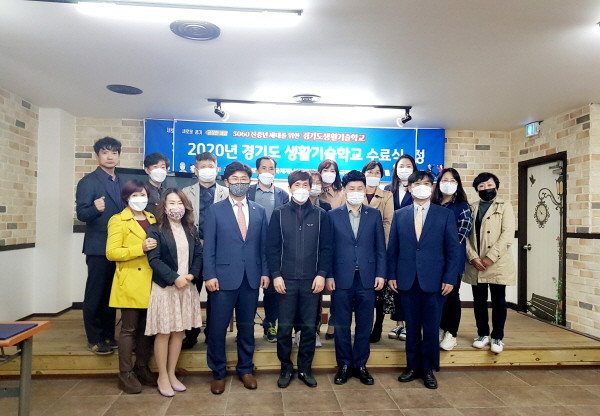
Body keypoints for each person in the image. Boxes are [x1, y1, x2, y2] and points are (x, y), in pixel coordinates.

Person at [387, 171, 461, 389]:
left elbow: (453, 250)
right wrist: (392, 275)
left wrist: (449, 278)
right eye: (417, 183)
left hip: (435, 280)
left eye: (427, 183)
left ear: (432, 187)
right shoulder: (400, 215)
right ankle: (412, 367)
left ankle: (428, 369)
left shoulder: (444, 214)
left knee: (431, 326)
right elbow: (393, 249)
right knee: (411, 326)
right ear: (409, 188)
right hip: (407, 279)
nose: (422, 187)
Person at [203, 161, 270, 394]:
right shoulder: (215, 210)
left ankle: (245, 369)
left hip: (250, 278)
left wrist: (265, 272)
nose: (239, 183)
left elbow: (263, 247)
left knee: (246, 327)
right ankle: (218, 372)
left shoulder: (259, 211)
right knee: (217, 328)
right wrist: (209, 274)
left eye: (244, 179)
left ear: (249, 182)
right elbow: (209, 247)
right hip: (222, 279)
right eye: (235, 179)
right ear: (226, 181)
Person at [267, 170, 332, 389]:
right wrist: (276, 275)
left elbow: (326, 248)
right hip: (285, 280)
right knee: (284, 328)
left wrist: (322, 274)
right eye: (297, 185)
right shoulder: (279, 214)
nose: (302, 189)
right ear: (290, 188)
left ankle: (305, 368)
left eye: (305, 185)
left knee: (308, 328)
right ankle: (286, 368)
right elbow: (272, 248)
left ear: (311, 187)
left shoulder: (321, 215)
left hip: (311, 282)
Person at [327, 170, 386, 386]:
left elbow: (380, 248)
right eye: (351, 188)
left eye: (360, 188)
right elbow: (328, 249)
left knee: (364, 324)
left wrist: (381, 273)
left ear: (364, 190)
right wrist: (329, 275)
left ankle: (360, 364)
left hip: (367, 278)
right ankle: (343, 364)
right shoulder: (333, 215)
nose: (356, 192)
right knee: (342, 324)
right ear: (344, 190)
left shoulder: (374, 214)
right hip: (341, 278)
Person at [145, 189, 203, 397]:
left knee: (179, 332)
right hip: (165, 288)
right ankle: (162, 376)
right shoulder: (155, 229)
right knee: (164, 332)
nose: (176, 207)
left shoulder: (191, 229)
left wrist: (191, 275)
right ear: (164, 206)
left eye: (179, 203)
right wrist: (174, 277)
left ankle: (171, 373)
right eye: (171, 203)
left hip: (186, 287)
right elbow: (154, 259)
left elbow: (198, 255)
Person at [106, 180, 157, 393]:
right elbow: (112, 253)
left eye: (142, 194)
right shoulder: (118, 220)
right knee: (129, 329)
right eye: (135, 195)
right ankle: (125, 373)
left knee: (147, 328)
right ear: (127, 198)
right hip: (130, 281)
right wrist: (140, 248)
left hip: (152, 281)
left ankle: (141, 367)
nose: (139, 199)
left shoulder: (152, 218)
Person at [76, 136, 125, 355]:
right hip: (98, 247)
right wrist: (95, 209)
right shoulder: (88, 181)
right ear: (98, 156)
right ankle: (94, 338)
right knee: (95, 293)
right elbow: (82, 214)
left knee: (111, 294)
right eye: (105, 152)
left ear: (119, 156)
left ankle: (108, 335)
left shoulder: (122, 181)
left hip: (119, 247)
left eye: (114, 152)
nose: (110, 156)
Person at [463, 172, 516, 354]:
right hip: (476, 263)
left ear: (496, 186)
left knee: (498, 300)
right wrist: (472, 257)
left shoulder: (505, 206)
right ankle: (482, 334)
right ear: (477, 189)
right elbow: (465, 235)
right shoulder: (471, 207)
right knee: (479, 300)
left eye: (489, 185)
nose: (486, 188)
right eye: (482, 186)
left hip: (497, 263)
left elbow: (507, 234)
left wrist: (490, 258)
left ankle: (497, 337)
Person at [181, 152, 229, 349]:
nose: (207, 170)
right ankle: (191, 334)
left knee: (216, 295)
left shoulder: (227, 192)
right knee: (192, 293)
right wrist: (196, 240)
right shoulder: (185, 192)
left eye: (210, 166)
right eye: (203, 167)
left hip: (219, 251)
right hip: (193, 251)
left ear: (217, 169)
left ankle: (213, 334)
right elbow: (181, 221)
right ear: (196, 170)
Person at [247, 156, 289, 343]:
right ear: (257, 171)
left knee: (272, 290)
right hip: (250, 246)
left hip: (273, 248)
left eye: (271, 168)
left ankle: (270, 323)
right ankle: (246, 328)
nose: (267, 172)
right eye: (263, 168)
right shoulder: (247, 192)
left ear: (275, 171)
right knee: (249, 289)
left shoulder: (282, 195)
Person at [431, 168, 473, 351]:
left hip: (452, 259)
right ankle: (441, 328)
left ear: (458, 184)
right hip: (432, 261)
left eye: (452, 180)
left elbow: (460, 237)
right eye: (444, 180)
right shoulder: (432, 204)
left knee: (452, 295)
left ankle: (451, 333)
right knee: (437, 295)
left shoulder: (463, 207)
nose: (448, 183)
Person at [384, 154, 418, 341]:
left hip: (412, 242)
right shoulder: (389, 189)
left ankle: (410, 323)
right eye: (401, 166)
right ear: (395, 169)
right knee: (395, 284)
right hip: (393, 241)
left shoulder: (418, 189)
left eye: (408, 165)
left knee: (410, 283)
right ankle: (399, 323)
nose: (404, 169)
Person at [361, 161, 395, 343]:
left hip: (379, 247)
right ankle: (364, 325)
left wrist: (382, 246)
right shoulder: (355, 193)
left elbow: (388, 222)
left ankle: (378, 324)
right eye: (370, 172)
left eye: (377, 173)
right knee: (364, 290)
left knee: (379, 290)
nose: (373, 175)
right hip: (358, 249)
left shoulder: (387, 195)